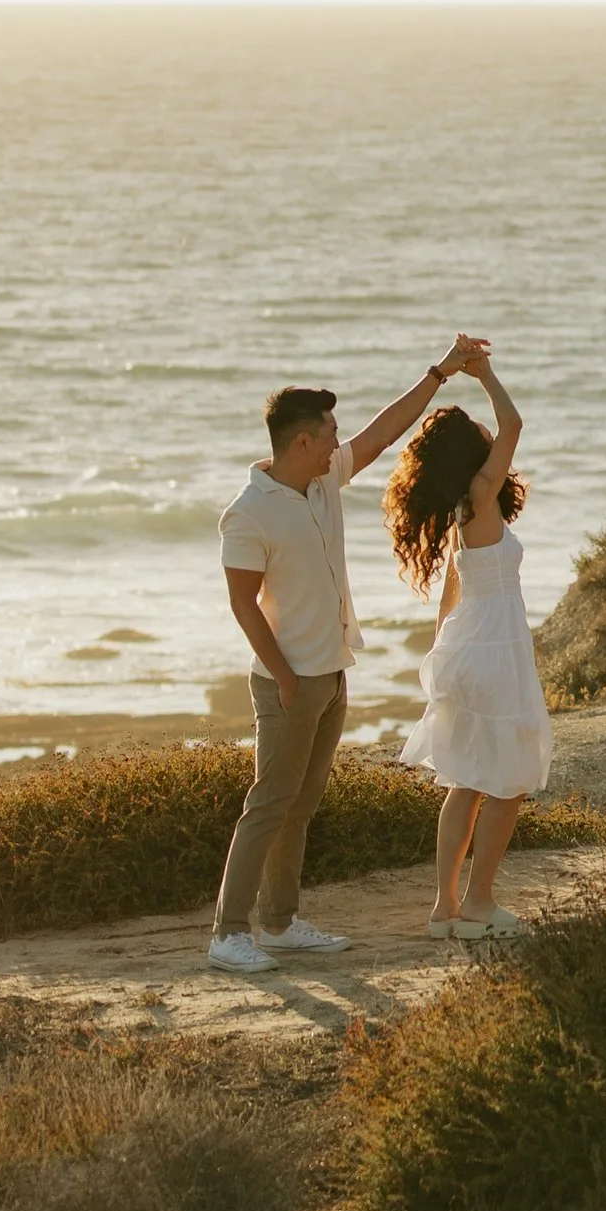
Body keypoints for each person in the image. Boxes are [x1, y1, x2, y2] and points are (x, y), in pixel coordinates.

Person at [208, 336, 491, 974]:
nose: (340, 440)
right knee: (267, 804)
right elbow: (243, 605)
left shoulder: (323, 479)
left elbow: (387, 429)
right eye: (329, 432)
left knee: (300, 806)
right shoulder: (247, 514)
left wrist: (441, 373)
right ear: (301, 441)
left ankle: (278, 923)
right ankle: (229, 934)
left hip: (331, 674)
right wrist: (282, 678)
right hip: (287, 684)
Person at [383, 348, 552, 938]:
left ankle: (444, 908)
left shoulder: (463, 511)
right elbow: (514, 424)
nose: (488, 433)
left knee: (471, 781)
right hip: (496, 645)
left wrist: (441, 660)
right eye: (475, 432)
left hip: (472, 643)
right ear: (469, 452)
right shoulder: (481, 495)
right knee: (512, 777)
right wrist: (484, 376)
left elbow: (449, 598)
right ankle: (479, 901)